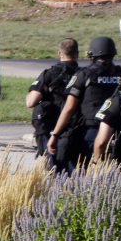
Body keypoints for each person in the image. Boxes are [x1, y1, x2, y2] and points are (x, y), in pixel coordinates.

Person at [47, 36, 121, 173]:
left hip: (91, 133)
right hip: (118, 133)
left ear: (91, 54)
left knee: (86, 175)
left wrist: (55, 134)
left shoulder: (84, 74)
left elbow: (69, 108)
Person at [26, 38, 79, 167]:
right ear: (77, 54)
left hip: (51, 126)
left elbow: (31, 102)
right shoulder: (82, 74)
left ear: (59, 54)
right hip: (75, 126)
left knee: (54, 168)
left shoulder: (49, 74)